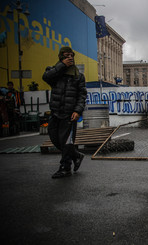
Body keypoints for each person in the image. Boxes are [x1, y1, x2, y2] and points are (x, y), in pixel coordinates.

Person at [42, 46, 87, 179]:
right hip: (55, 112)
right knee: (55, 138)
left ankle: (65, 167)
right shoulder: (54, 72)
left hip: (69, 114)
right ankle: (76, 155)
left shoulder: (78, 76)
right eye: (67, 56)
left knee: (66, 141)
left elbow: (82, 95)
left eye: (72, 55)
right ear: (61, 57)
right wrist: (61, 66)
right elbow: (46, 77)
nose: (70, 58)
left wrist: (77, 111)